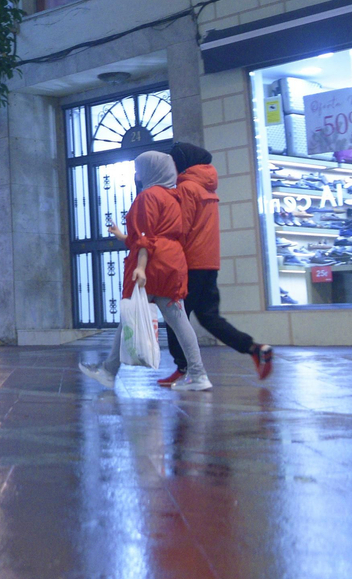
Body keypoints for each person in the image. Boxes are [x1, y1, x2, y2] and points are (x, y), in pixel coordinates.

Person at [80, 151, 212, 392]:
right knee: (179, 321)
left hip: (152, 263)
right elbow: (156, 234)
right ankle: (199, 374)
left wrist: (140, 268)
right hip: (172, 261)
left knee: (131, 316)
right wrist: (123, 236)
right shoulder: (173, 197)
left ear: (150, 171)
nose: (136, 174)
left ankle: (109, 372)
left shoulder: (147, 196)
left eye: (139, 168)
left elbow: (144, 239)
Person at [162, 141, 273, 384]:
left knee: (174, 317)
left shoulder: (187, 188)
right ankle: (255, 349)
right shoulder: (207, 186)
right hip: (209, 263)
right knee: (209, 317)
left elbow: (182, 228)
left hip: (190, 263)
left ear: (181, 162)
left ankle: (184, 370)